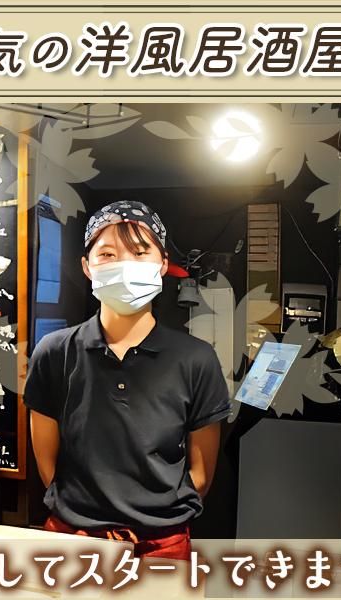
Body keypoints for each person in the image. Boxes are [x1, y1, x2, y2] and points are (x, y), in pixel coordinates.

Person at [24, 200, 231, 560]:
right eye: (107, 254)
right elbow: (47, 464)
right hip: (72, 539)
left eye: (139, 252)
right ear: (87, 267)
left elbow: (201, 474)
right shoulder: (54, 351)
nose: (123, 265)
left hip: (162, 545)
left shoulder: (196, 359)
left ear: (162, 264)